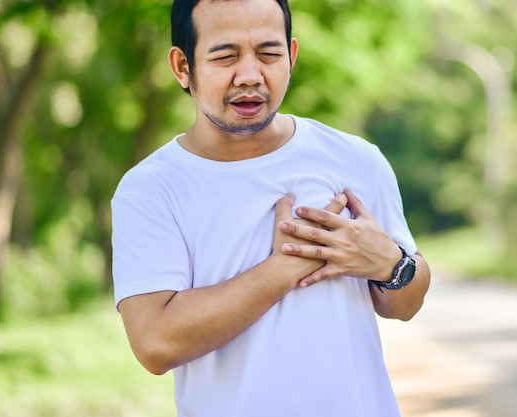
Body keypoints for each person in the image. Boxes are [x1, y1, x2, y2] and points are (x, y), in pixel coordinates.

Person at [111, 0, 431, 416]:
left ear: (292, 56)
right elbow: (156, 343)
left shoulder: (355, 160)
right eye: (225, 56)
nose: (250, 75)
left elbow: (406, 304)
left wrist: (391, 264)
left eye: (269, 54)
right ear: (182, 66)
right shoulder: (151, 189)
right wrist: (285, 267)